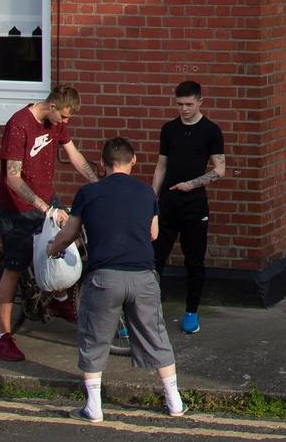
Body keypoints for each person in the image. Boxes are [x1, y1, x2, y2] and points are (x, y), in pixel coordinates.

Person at [47, 136, 186, 421]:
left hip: (104, 278)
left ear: (102, 164)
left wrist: (53, 249)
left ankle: (94, 407)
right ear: (133, 161)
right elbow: (154, 234)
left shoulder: (88, 193)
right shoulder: (147, 193)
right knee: (156, 335)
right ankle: (174, 402)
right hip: (143, 277)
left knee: (94, 338)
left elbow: (69, 233)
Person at [0, 83, 98, 363]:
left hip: (47, 200)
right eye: (63, 116)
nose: (65, 122)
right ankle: (3, 338)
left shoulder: (56, 124)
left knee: (62, 245)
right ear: (51, 106)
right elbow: (12, 178)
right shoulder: (19, 124)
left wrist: (99, 185)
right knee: (14, 268)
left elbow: (74, 155)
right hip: (17, 209)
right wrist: (45, 208)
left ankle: (59, 300)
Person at [151, 79, 225, 335]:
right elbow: (162, 164)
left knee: (194, 260)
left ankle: (191, 311)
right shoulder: (169, 129)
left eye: (189, 104)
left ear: (199, 102)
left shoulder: (211, 131)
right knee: (155, 258)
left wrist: (191, 184)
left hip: (194, 204)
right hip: (168, 202)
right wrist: (153, 198)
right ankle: (147, 312)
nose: (184, 109)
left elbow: (219, 169)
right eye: (180, 104)